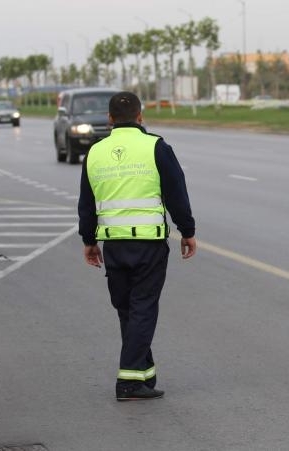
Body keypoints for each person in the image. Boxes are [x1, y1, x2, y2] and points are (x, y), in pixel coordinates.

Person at [78, 91, 197, 401]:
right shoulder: (156, 147)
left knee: (129, 311)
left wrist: (89, 241)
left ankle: (144, 375)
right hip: (148, 244)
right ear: (141, 116)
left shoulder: (95, 152)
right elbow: (176, 193)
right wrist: (187, 231)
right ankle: (129, 381)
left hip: (114, 246)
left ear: (109, 119)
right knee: (142, 308)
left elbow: (86, 203)